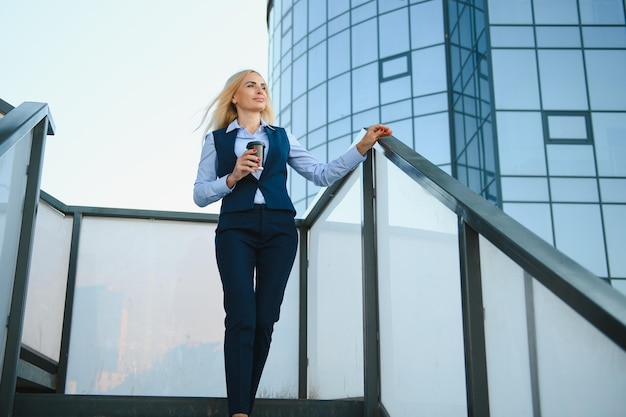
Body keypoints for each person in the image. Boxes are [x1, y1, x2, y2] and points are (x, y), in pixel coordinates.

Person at [193, 69, 392, 417]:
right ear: (235, 97)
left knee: (266, 318)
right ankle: (240, 411)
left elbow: (321, 173)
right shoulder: (218, 141)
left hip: (279, 231)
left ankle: (244, 402)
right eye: (250, 85)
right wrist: (233, 176)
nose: (260, 90)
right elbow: (199, 194)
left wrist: (360, 147)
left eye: (263, 86)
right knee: (241, 315)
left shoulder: (282, 137)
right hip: (234, 229)